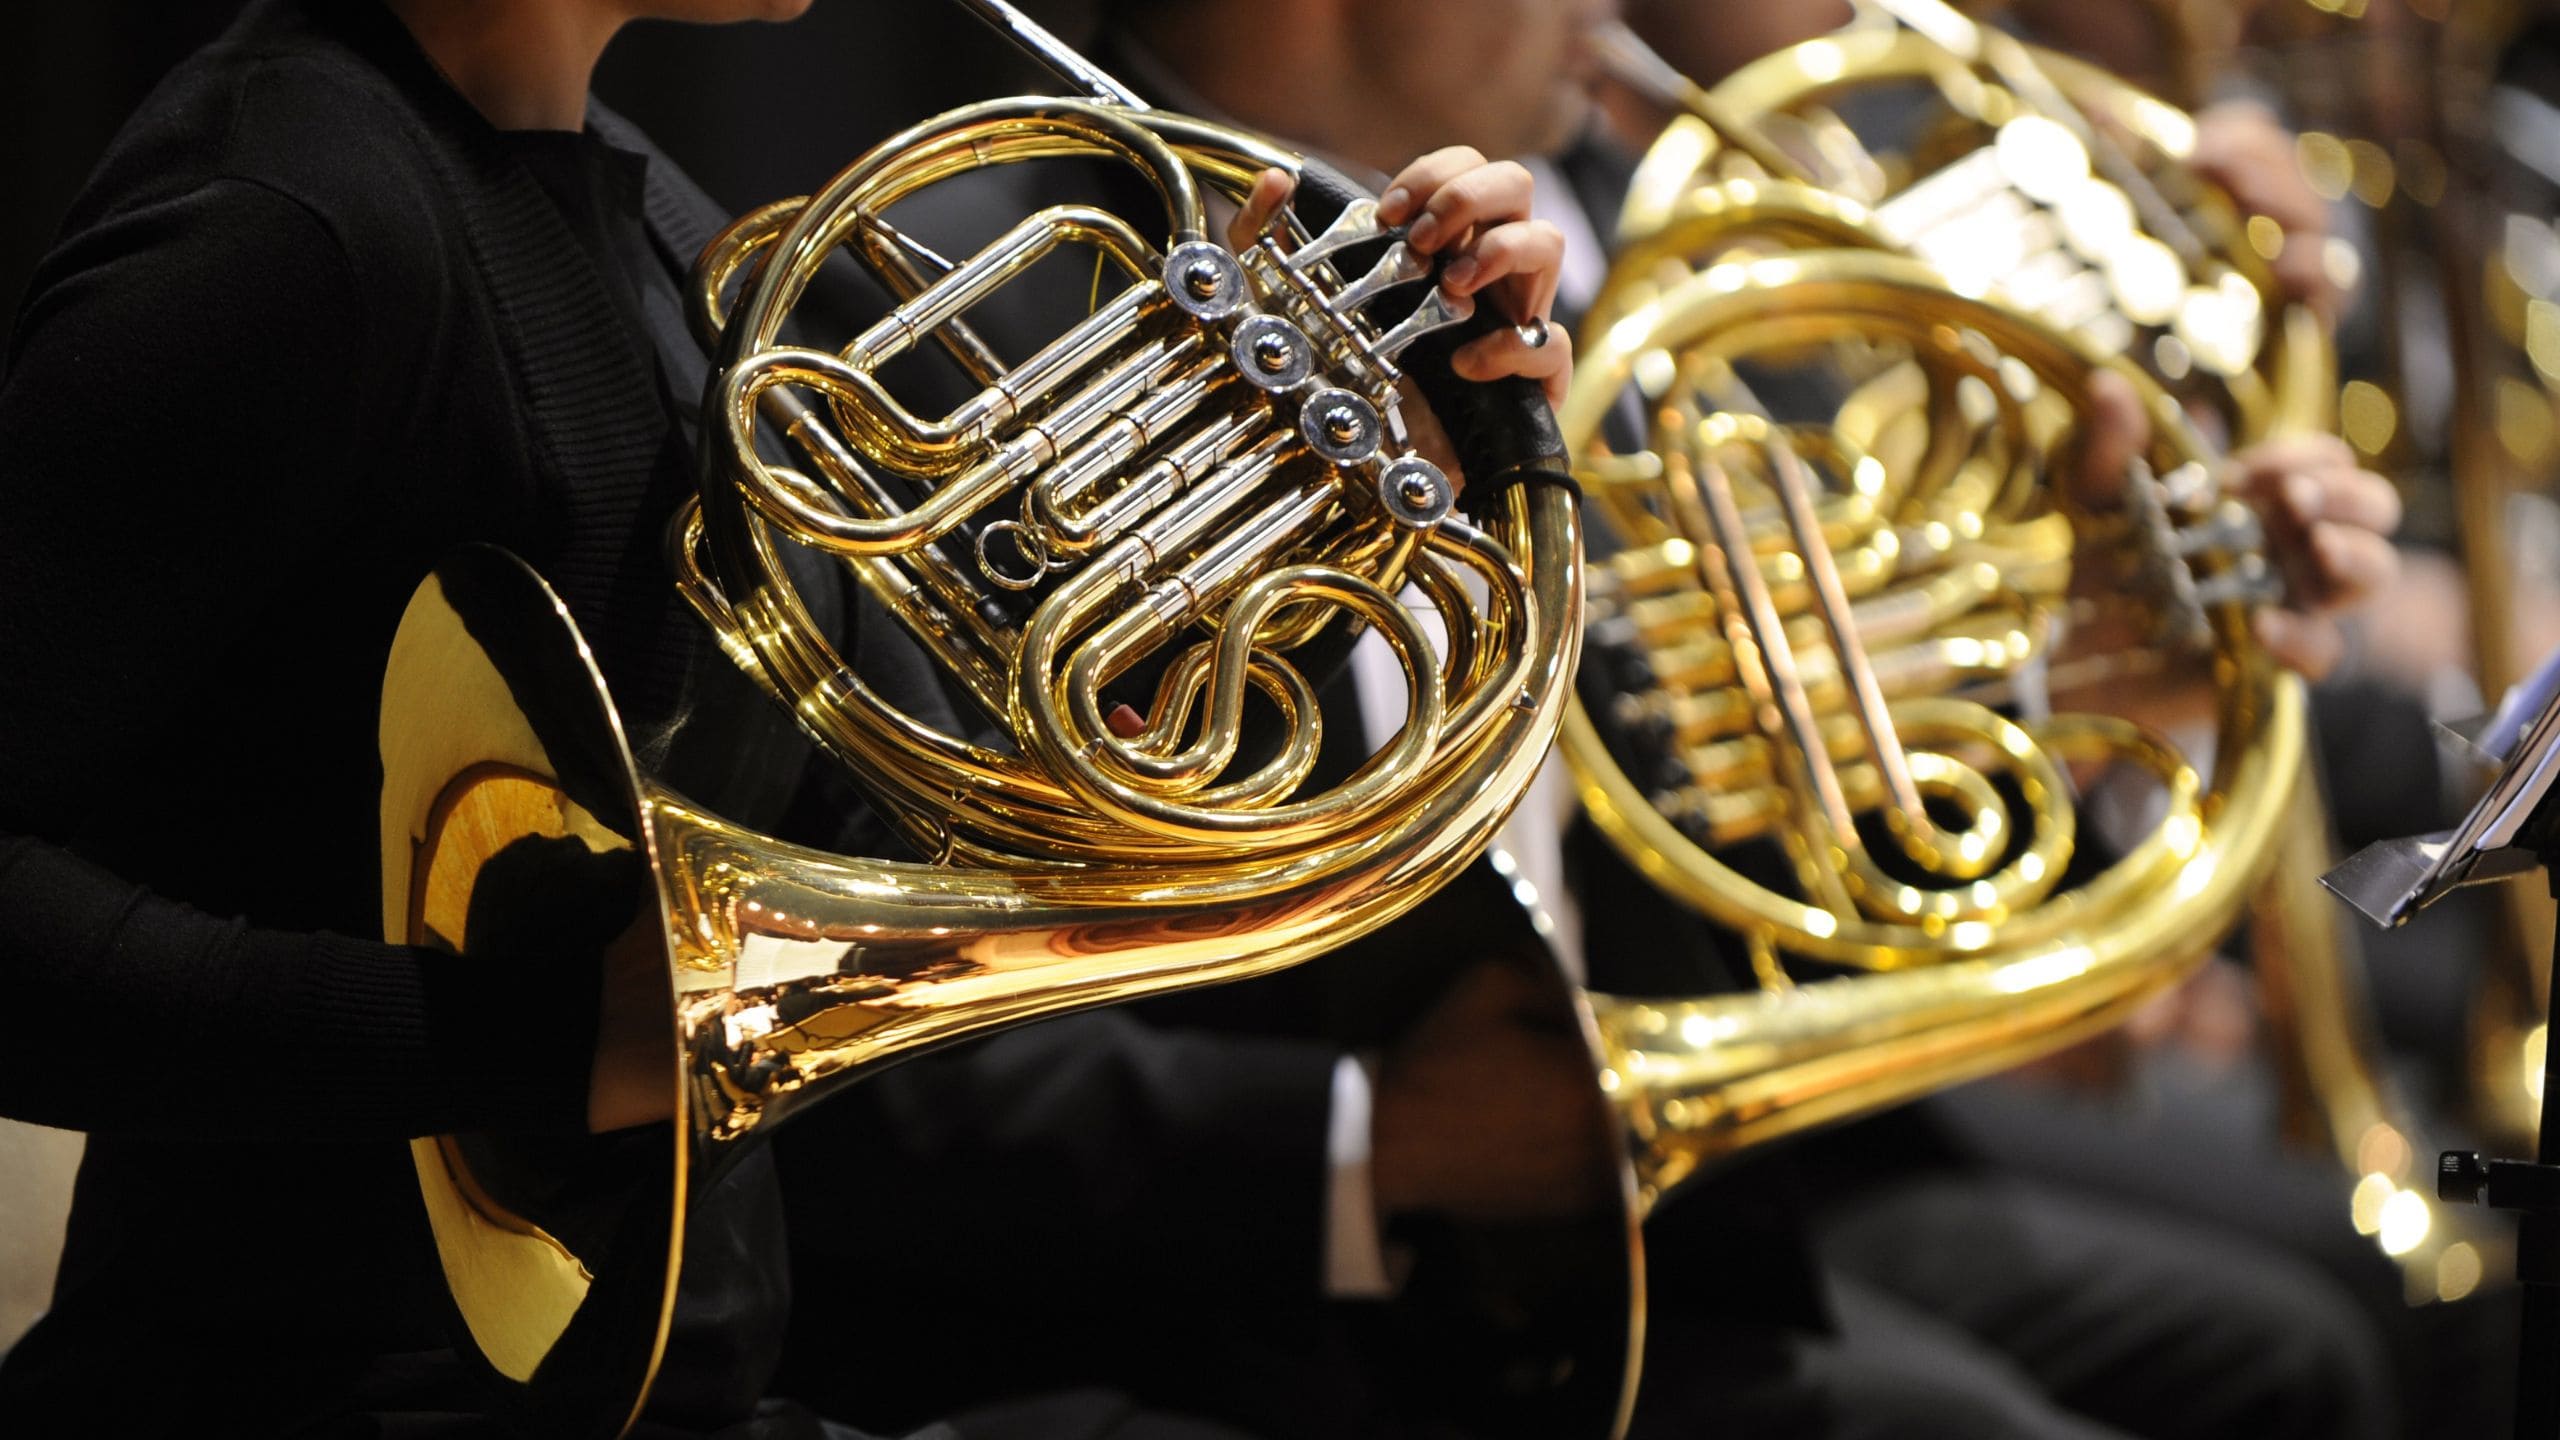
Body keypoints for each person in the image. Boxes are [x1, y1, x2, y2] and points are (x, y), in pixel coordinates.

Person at [744, 3, 2406, 1439]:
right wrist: (1367, 1143)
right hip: (1209, 1291)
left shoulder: (1552, 260)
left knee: (2290, 1365)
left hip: (1611, 1235)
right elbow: (891, 1054)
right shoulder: (971, 294)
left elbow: (1694, 777)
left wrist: (2083, 682)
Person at [0, 1, 1568, 1435]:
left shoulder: (637, 207)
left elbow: (889, 814)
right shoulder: (290, 215)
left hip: (658, 1386)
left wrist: (1338, 474)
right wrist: (537, 1042)